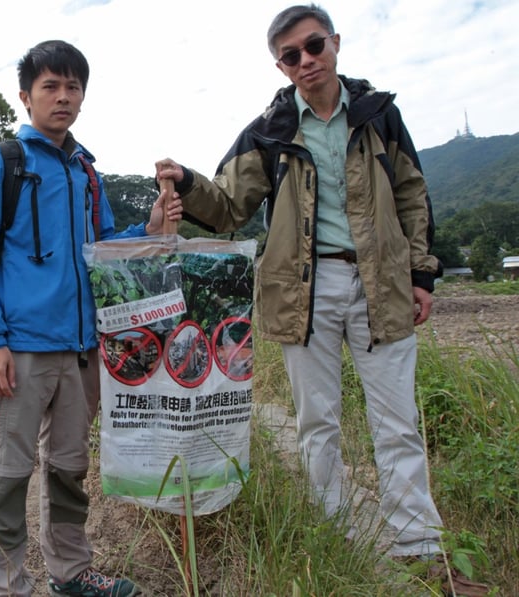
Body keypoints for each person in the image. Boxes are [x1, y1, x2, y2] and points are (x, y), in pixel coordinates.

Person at [154, 5, 489, 595]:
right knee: (317, 423)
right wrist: (184, 181)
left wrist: (421, 274)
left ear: (335, 43)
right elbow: (231, 205)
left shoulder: (379, 117)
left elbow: (412, 193)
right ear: (279, 66)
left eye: (314, 46)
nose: (306, 61)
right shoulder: (270, 130)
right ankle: (332, 537)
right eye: (291, 55)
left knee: (399, 423)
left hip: (380, 283)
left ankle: (421, 549)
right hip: (301, 289)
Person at [0, 40, 177, 597]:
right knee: (5, 475)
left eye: (73, 86)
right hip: (19, 352)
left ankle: (71, 574)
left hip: (81, 353)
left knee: (69, 472)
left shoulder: (85, 172)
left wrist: (146, 230)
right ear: (26, 96)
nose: (63, 96)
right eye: (50, 86)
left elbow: (99, 251)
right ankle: (5, 587)